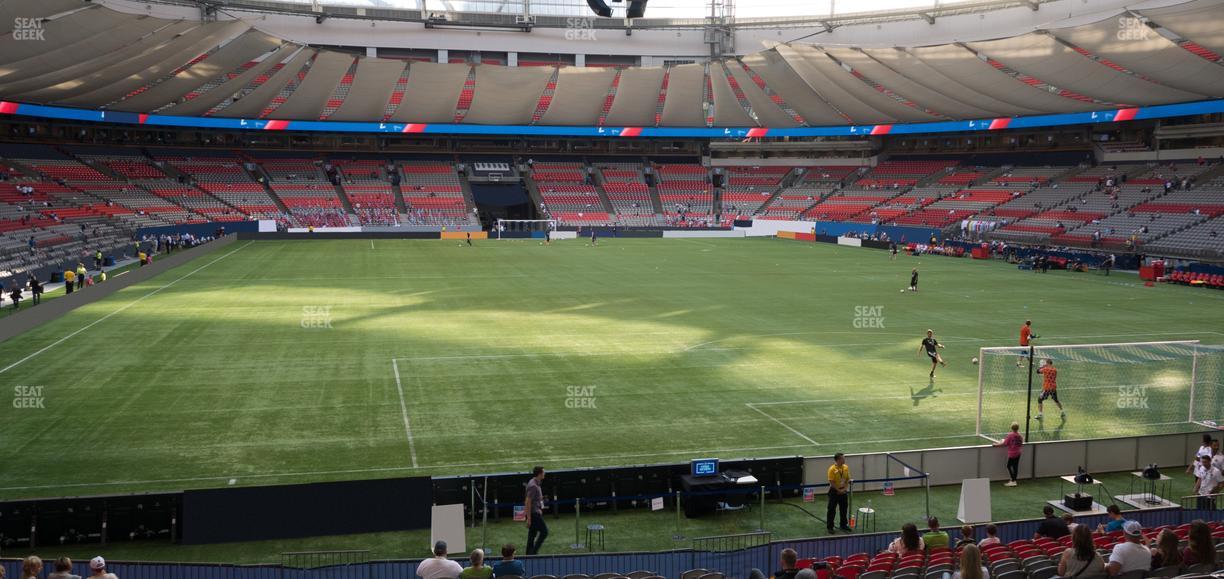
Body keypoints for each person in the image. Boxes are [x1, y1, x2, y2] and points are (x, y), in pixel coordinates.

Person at [524, 466, 548, 555]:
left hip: (535, 512)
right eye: (543, 472)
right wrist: (529, 518)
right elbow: (528, 501)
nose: (544, 473)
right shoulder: (533, 485)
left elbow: (534, 499)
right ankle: (534, 552)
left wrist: (541, 501)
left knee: (532, 534)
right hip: (534, 514)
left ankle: (528, 554)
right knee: (544, 532)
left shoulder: (535, 483)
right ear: (539, 474)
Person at [827, 452, 851, 533]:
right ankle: (830, 527)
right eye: (843, 458)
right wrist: (838, 490)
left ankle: (843, 525)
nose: (844, 459)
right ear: (838, 460)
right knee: (831, 509)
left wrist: (845, 489)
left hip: (843, 491)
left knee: (844, 509)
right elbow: (831, 482)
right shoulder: (832, 469)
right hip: (834, 491)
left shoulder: (846, 467)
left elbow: (848, 479)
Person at [994, 422, 1022, 487]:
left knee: (1009, 466)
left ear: (1011, 428)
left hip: (1012, 453)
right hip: (1018, 453)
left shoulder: (1010, 435)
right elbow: (1020, 443)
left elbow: (1005, 443)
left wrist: (996, 444)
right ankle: (1014, 480)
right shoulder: (1020, 436)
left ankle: (1013, 480)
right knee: (1015, 467)